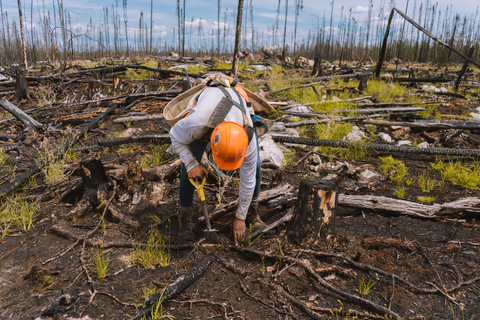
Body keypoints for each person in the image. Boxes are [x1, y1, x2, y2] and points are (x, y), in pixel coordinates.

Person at [169, 80, 265, 245]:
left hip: (238, 111)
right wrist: (192, 163)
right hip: (209, 115)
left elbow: (248, 180)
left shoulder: (247, 137)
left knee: (255, 167)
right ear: (212, 142)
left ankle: (251, 212)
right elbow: (175, 135)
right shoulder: (197, 123)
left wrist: (240, 219)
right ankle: (184, 219)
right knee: (189, 168)